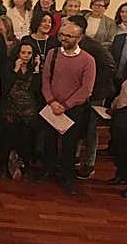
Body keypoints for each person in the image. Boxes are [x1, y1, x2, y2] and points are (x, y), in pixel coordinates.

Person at [38, 22, 95, 195]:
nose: (63, 39)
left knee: (69, 144)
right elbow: (45, 79)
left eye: (69, 36)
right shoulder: (52, 53)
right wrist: (51, 101)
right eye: (62, 35)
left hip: (73, 109)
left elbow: (86, 89)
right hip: (52, 105)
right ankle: (48, 169)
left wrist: (66, 105)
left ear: (79, 38)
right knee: (49, 140)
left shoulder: (88, 60)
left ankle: (67, 176)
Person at [66, 15, 116, 180]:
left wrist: (92, 86)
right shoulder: (71, 44)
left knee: (90, 128)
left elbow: (110, 65)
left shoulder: (92, 46)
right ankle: (74, 158)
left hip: (96, 93)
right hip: (80, 92)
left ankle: (89, 164)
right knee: (79, 125)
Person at [0, 42, 42, 179]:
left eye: (29, 53)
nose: (26, 56)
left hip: (28, 110)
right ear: (18, 53)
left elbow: (37, 89)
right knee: (7, 139)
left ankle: (24, 167)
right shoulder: (9, 66)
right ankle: (4, 166)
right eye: (23, 53)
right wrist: (15, 70)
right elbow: (5, 86)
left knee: (26, 141)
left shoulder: (34, 69)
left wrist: (36, 70)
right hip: (10, 109)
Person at [108, 79, 127, 197]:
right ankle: (121, 174)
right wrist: (113, 107)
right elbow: (121, 95)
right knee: (120, 149)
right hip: (121, 114)